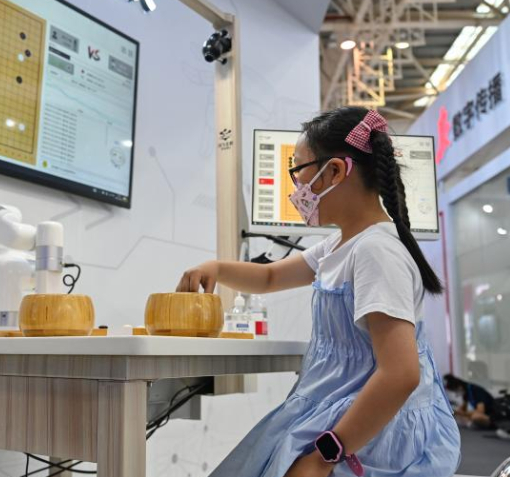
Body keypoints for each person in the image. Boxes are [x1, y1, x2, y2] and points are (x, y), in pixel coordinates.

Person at [176, 107, 460, 477]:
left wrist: (326, 454)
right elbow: (269, 278)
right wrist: (215, 268)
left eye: (298, 171)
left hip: (368, 432)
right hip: (338, 411)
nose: (296, 189)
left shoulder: (375, 252)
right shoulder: (341, 244)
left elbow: (400, 375)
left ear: (336, 172)